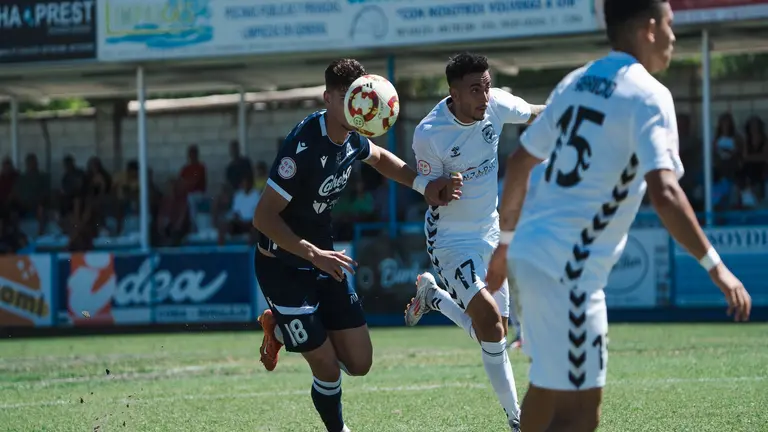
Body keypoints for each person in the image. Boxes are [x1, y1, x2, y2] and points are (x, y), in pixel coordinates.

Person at [485, 1, 753, 431]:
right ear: (649, 28)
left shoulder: (577, 81)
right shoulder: (649, 95)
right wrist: (717, 269)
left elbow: (518, 162)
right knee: (579, 416)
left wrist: (505, 247)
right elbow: (665, 192)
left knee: (552, 388)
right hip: (567, 270)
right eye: (669, 24)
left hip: (532, 253)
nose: (673, 36)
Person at [253, 58, 461, 432]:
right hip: (283, 266)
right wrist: (312, 253)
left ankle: (280, 328)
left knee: (360, 364)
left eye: (361, 95)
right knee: (328, 366)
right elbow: (263, 217)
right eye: (349, 97)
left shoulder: (351, 135)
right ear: (328, 98)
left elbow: (379, 157)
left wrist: (424, 187)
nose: (359, 105)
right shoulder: (301, 146)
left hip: (324, 260)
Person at [402, 52, 545, 431]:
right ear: (453, 93)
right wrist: (443, 189)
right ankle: (518, 420)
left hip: (491, 233)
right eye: (474, 90)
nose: (484, 96)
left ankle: (434, 299)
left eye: (486, 86)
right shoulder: (430, 134)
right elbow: (430, 191)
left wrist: (575, 110)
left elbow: (534, 111)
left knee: (491, 329)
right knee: (490, 326)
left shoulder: (496, 106)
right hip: (451, 240)